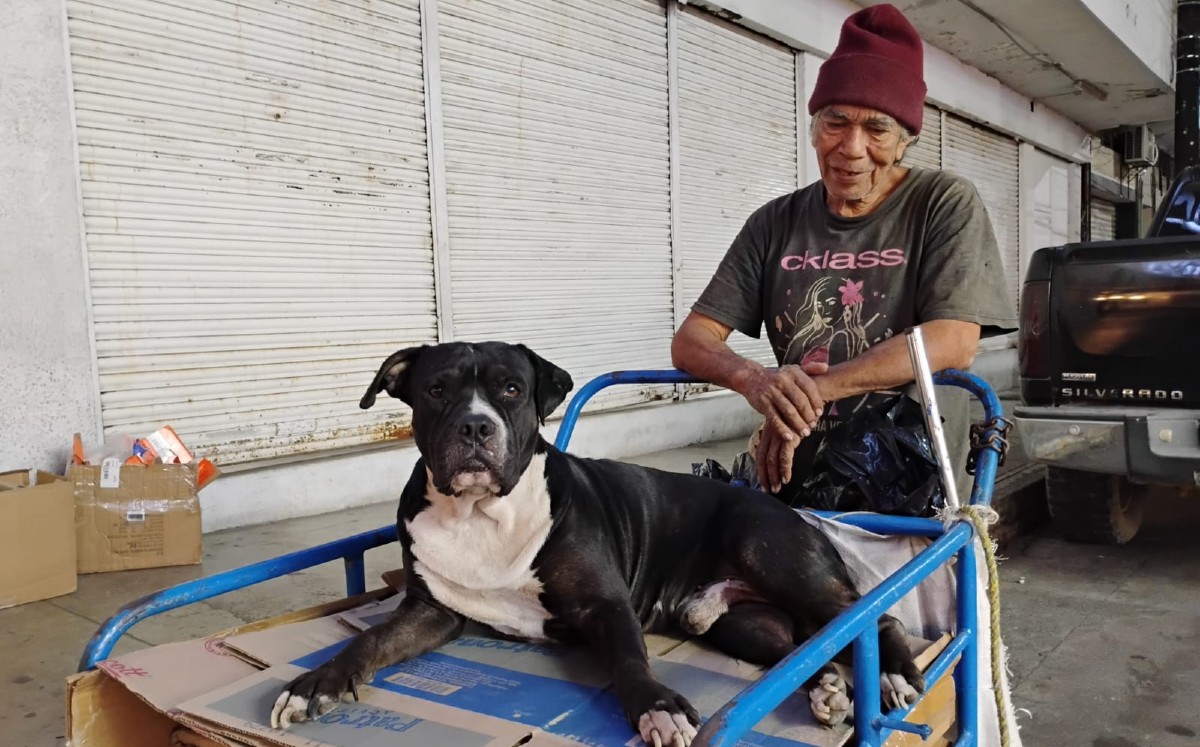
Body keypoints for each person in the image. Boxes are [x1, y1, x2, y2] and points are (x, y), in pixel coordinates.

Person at [671, 3, 1017, 506]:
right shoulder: (776, 222)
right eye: (836, 122)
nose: (852, 148)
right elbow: (691, 341)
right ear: (813, 127)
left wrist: (813, 393)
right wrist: (757, 382)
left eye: (877, 129)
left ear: (904, 141)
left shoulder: (943, 203)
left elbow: (951, 340)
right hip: (797, 485)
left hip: (912, 489)